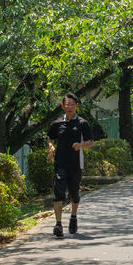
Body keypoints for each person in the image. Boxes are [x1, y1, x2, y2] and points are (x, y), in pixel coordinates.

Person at [47, 93, 93, 238]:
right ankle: (58, 224)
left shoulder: (82, 123)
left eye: (72, 104)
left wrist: (80, 145)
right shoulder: (57, 124)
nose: (69, 107)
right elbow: (50, 137)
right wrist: (51, 147)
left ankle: (73, 217)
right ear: (62, 106)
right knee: (58, 193)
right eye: (67, 104)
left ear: (76, 106)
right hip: (60, 163)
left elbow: (90, 141)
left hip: (75, 163)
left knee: (74, 194)